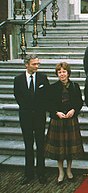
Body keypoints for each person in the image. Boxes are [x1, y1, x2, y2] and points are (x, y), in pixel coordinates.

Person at [44, 62, 84, 184]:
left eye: (64, 72)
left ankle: (69, 170)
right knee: (59, 149)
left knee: (70, 149)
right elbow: (48, 103)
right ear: (57, 74)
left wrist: (74, 110)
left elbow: (79, 102)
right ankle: (60, 172)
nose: (62, 74)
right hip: (58, 121)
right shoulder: (52, 87)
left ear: (68, 73)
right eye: (59, 72)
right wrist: (56, 112)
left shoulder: (74, 86)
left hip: (71, 120)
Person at [13, 54, 49, 185]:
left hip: (39, 116)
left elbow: (46, 97)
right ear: (26, 64)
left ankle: (41, 173)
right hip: (26, 117)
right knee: (28, 145)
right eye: (34, 64)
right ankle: (28, 174)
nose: (37, 66)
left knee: (40, 145)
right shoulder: (18, 79)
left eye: (38, 63)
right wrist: (28, 109)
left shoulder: (43, 78)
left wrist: (39, 109)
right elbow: (18, 97)